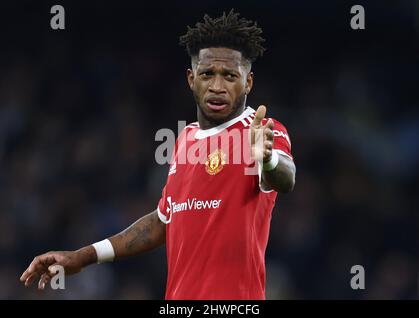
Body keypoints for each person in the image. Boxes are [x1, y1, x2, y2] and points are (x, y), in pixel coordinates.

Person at [20, 10, 296, 300]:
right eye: (207, 74)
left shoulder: (261, 130)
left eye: (230, 76)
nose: (217, 86)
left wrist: (267, 159)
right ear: (192, 78)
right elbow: (165, 220)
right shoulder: (185, 140)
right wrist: (84, 256)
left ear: (248, 82)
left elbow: (285, 178)